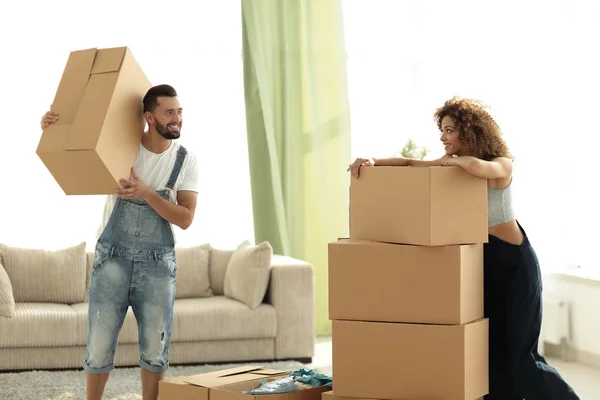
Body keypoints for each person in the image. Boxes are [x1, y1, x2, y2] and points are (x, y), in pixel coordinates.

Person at [348, 96, 580, 400]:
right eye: (442, 132)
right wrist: (372, 162)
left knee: (522, 355)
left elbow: (479, 167)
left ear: (469, 132)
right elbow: (408, 163)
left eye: (449, 131)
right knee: (490, 349)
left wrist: (451, 162)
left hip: (515, 265)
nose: (443, 139)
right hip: (483, 262)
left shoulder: (501, 163)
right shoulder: (452, 167)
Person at [40, 84, 199, 400]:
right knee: (98, 347)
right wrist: (52, 128)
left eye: (179, 111)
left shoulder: (186, 161)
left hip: (157, 265)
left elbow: (185, 218)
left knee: (155, 349)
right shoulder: (120, 148)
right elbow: (76, 147)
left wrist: (148, 194)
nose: (177, 118)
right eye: (170, 112)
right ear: (149, 117)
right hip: (113, 260)